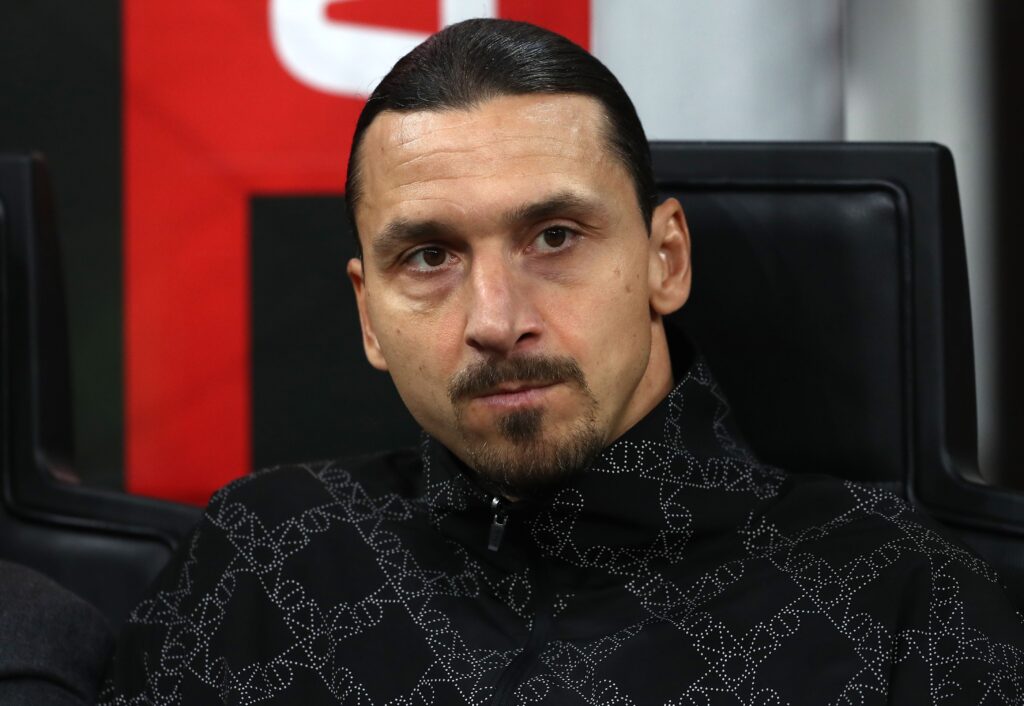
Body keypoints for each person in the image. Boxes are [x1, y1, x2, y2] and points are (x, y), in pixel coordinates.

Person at [100, 18, 1023, 705]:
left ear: (666, 260)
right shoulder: (267, 558)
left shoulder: (902, 600)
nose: (496, 322)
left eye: (554, 236)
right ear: (368, 315)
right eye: (429, 256)